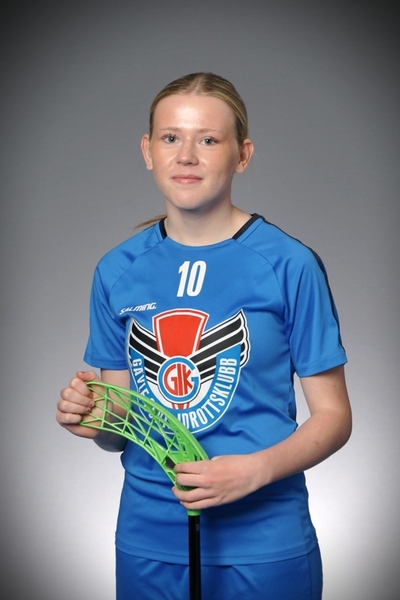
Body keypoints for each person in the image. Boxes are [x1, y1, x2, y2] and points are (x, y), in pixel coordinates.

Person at [56, 72, 352, 600]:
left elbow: (334, 418)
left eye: (209, 139)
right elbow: (122, 426)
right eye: (171, 137)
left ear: (243, 155)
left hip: (263, 540)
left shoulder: (289, 264)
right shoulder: (116, 270)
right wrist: (93, 417)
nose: (186, 155)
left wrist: (254, 471)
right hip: (148, 539)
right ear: (148, 150)